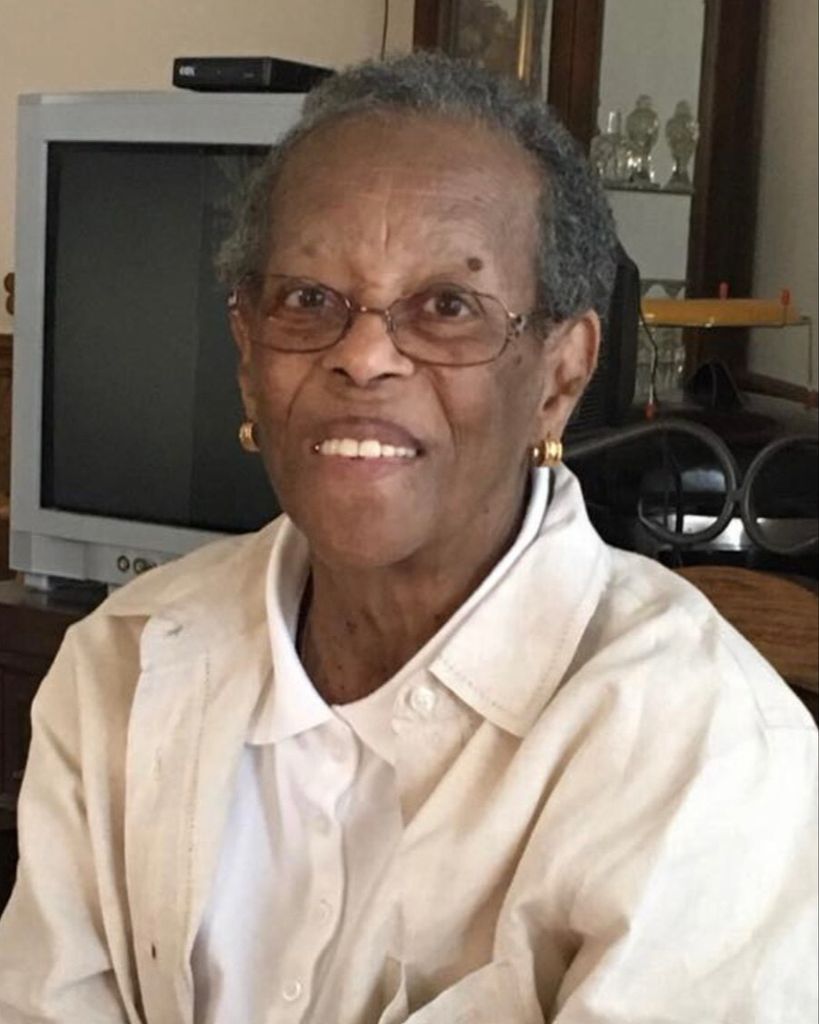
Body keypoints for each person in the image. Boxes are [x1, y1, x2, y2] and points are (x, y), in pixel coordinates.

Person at [0, 52, 816, 1024]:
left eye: (448, 306)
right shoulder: (119, 670)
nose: (363, 356)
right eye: (308, 299)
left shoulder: (705, 752)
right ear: (248, 352)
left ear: (560, 374)